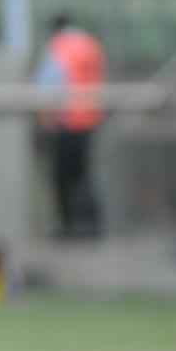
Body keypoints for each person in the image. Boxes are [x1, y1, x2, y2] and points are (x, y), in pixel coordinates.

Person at [35, 14, 106, 238]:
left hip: (65, 121)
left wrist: (46, 118)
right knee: (84, 175)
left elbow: (50, 84)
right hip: (89, 119)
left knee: (62, 177)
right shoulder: (91, 45)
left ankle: (68, 226)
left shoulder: (59, 47)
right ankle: (91, 225)